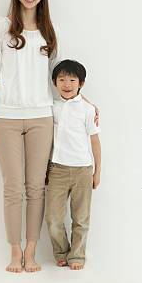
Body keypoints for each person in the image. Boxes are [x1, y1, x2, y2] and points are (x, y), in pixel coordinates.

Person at [0, 0, 98, 273]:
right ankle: (14, 252)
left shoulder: (50, 31)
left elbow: (57, 78)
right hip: (5, 115)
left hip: (41, 117)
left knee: (36, 187)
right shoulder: (0, 27)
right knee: (12, 187)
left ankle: (31, 253)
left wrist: (83, 100)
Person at [45, 59, 102, 270]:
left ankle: (77, 256)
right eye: (61, 79)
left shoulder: (87, 110)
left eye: (72, 79)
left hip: (83, 170)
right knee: (53, 219)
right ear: (54, 82)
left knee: (81, 218)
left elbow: (95, 142)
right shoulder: (51, 106)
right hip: (57, 169)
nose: (67, 84)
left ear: (81, 84)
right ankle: (61, 251)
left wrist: (97, 172)